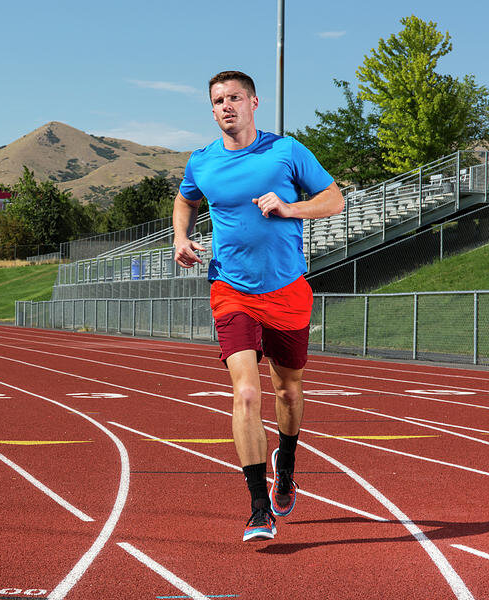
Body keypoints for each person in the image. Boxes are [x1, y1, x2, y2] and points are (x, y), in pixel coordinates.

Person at [172, 70, 343, 541]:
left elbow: (334, 199)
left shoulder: (286, 151)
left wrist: (291, 208)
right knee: (246, 393)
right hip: (231, 288)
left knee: (288, 391)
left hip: (287, 290)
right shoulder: (201, 162)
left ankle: (285, 462)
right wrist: (180, 237)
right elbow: (184, 199)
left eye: (233, 98)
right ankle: (257, 507)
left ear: (253, 102)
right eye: (217, 100)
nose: (225, 106)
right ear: (211, 109)